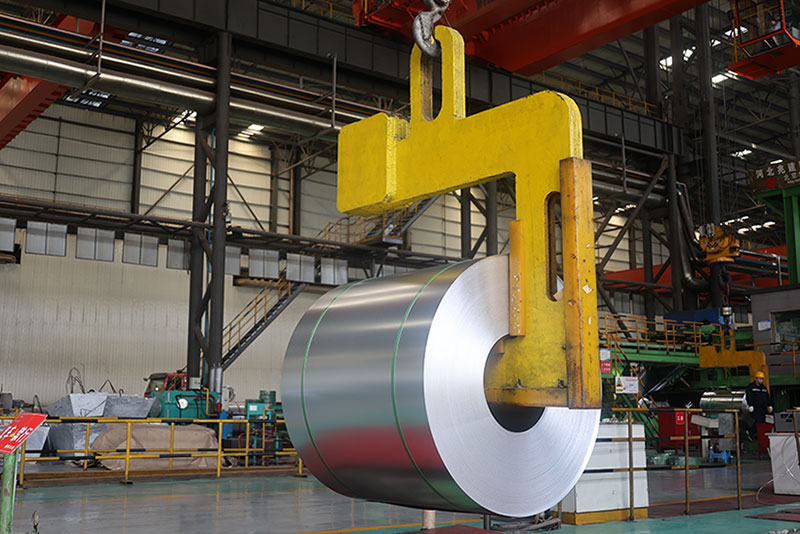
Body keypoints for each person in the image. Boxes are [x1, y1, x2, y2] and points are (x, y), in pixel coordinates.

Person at [745, 371, 773, 440]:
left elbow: (767, 397)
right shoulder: (751, 387)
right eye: (760, 379)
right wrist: (750, 405)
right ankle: (750, 432)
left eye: (762, 379)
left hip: (762, 408)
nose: (761, 380)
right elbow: (749, 396)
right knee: (757, 421)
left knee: (762, 422)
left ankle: (759, 435)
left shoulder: (763, 388)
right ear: (756, 379)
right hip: (755, 408)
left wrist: (769, 405)